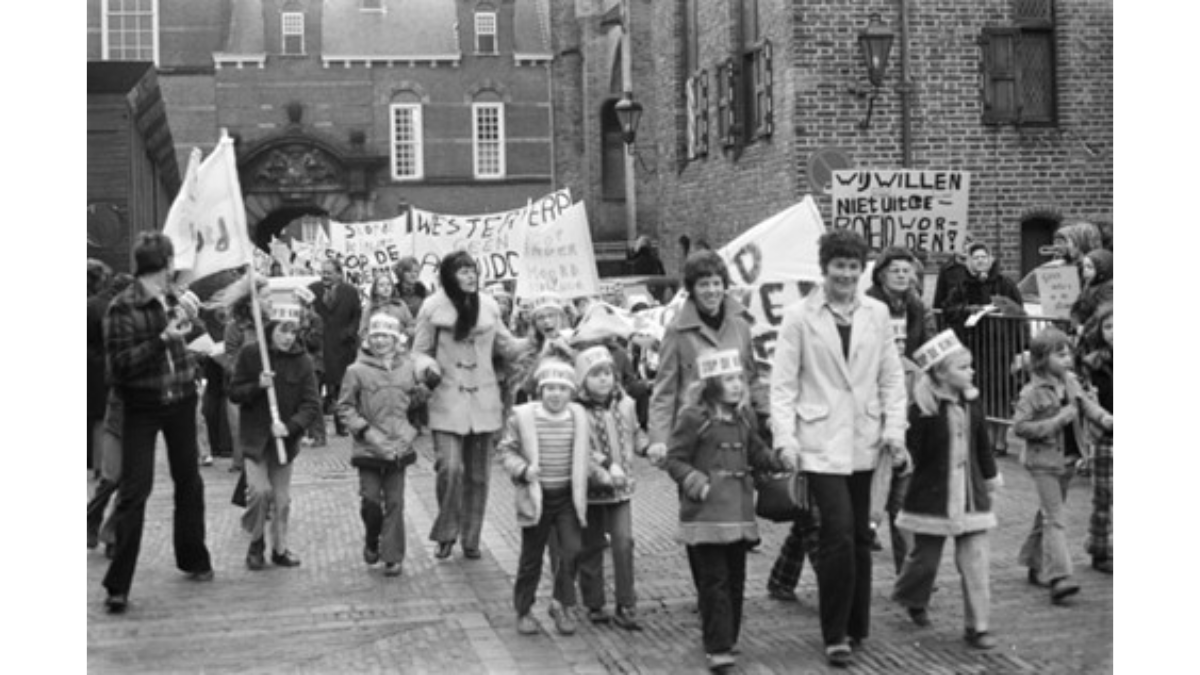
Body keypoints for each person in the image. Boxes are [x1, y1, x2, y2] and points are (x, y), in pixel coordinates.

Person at [770, 230, 909, 669]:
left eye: (853, 266)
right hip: (820, 440)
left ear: (862, 268)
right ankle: (834, 634)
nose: (846, 274)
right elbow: (783, 384)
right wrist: (785, 440)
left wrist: (896, 430)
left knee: (862, 535)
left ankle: (857, 624)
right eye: (839, 266)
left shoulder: (878, 313)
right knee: (838, 532)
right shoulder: (799, 316)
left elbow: (892, 377)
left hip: (866, 438)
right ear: (824, 268)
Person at [101, 232, 213, 614]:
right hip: (142, 405)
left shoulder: (172, 300)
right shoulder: (122, 307)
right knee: (136, 491)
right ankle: (117, 584)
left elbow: (186, 340)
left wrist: (188, 326)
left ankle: (194, 557)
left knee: (189, 481)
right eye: (171, 264)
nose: (174, 270)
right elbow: (119, 367)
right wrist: (162, 339)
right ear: (162, 265)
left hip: (180, 398)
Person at [665, 350, 784, 672]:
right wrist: (694, 480)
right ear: (712, 382)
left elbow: (756, 452)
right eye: (728, 379)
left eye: (739, 379)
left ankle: (727, 638)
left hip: (738, 512)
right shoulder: (693, 417)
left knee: (735, 579)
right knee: (713, 580)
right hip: (706, 514)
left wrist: (779, 459)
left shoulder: (744, 417)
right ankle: (716, 645)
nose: (736, 385)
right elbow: (674, 458)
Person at [892, 331, 1002, 651]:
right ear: (941, 373)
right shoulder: (923, 410)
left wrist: (991, 478)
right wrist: (901, 460)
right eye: (962, 367)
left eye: (970, 367)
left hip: (970, 496)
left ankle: (977, 626)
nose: (971, 372)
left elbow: (982, 444)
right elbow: (913, 452)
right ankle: (912, 596)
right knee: (924, 560)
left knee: (976, 562)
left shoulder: (972, 403)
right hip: (932, 498)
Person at [413, 251, 523, 562]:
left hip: (485, 399)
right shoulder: (432, 307)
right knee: (450, 468)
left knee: (479, 475)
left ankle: (471, 537)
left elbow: (508, 346)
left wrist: (538, 338)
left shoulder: (489, 306)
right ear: (449, 275)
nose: (470, 276)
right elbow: (418, 352)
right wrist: (427, 369)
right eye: (463, 271)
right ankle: (447, 531)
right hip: (447, 397)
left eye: (473, 270)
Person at [1014, 328, 1113, 605]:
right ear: (1042, 359)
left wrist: (1105, 420)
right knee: (1055, 517)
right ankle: (1060, 577)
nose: (1068, 359)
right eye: (1060, 354)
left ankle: (1033, 561)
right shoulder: (1031, 392)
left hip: (1069, 459)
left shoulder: (1070, 381)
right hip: (1044, 462)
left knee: (1048, 513)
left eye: (1068, 353)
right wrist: (1058, 420)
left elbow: (1087, 405)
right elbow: (1020, 427)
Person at [647, 251, 768, 468]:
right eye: (704, 284)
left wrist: (768, 415)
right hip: (698, 435)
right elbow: (665, 391)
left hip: (740, 430)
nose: (712, 291)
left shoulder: (740, 325)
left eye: (716, 283)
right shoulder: (677, 331)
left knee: (741, 496)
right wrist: (658, 440)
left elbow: (751, 377)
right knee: (700, 496)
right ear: (692, 289)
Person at [339, 314, 437, 577]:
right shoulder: (355, 371)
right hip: (369, 447)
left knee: (395, 502)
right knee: (370, 500)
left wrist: (426, 392)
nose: (381, 340)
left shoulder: (408, 368)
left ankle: (392, 555)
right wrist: (365, 431)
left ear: (397, 340)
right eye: (376, 335)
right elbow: (345, 407)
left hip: (398, 447)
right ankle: (373, 537)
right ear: (368, 338)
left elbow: (415, 406)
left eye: (386, 336)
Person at [499, 358, 591, 637]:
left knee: (571, 551)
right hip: (537, 496)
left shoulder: (578, 416)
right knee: (532, 557)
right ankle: (524, 609)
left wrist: (604, 469)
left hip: (568, 497)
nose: (555, 394)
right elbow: (506, 451)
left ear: (571, 392)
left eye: (562, 388)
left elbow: (589, 451)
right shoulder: (524, 416)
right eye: (549, 387)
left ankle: (562, 603)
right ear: (540, 389)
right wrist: (524, 470)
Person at [229, 300, 322, 571]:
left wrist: (291, 426)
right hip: (255, 440)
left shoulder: (303, 361)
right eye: (282, 331)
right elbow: (234, 392)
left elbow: (312, 404)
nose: (288, 337)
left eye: (293, 332)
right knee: (259, 492)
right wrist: (257, 385)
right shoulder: (250, 354)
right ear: (270, 330)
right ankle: (256, 542)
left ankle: (280, 549)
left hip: (284, 443)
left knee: (281, 500)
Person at [573, 346, 649, 631]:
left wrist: (646, 447)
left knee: (623, 541)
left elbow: (636, 432)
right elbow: (580, 448)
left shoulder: (626, 404)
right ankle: (594, 602)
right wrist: (602, 466)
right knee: (591, 545)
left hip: (621, 489)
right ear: (583, 379)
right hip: (591, 491)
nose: (604, 379)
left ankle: (626, 603)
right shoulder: (576, 411)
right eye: (595, 375)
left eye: (607, 373)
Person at [865, 247, 931, 573]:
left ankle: (909, 577)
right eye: (896, 271)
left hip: (904, 400)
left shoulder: (916, 307)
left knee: (901, 496)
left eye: (908, 271)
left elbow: (922, 349)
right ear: (881, 274)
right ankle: (785, 572)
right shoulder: (867, 305)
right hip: (870, 403)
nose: (903, 276)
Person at [1080, 304, 1115, 574]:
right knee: (1103, 495)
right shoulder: (1093, 363)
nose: (1113, 332)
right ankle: (1099, 549)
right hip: (1105, 434)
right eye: (1108, 327)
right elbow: (1087, 399)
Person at [311, 259, 363, 437]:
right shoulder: (312, 290)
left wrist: (349, 333)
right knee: (315, 389)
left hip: (342, 348)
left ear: (339, 274)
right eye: (323, 272)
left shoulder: (350, 292)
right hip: (319, 348)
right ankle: (316, 431)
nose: (325, 275)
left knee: (341, 390)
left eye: (329, 272)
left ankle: (341, 425)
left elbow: (357, 316)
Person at [1018, 222, 1104, 302]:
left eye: (1069, 241)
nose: (1067, 246)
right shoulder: (1054, 268)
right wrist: (1046, 302)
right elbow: (1021, 291)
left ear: (1079, 243)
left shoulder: (1102, 269)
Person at [87, 259, 115, 472]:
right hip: (98, 367)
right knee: (100, 418)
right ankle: (100, 466)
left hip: (94, 364)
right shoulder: (102, 305)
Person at [359, 273, 416, 342]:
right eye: (381, 285)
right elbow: (363, 331)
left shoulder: (400, 304)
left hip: (400, 346)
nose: (386, 287)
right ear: (375, 290)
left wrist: (405, 334)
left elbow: (412, 325)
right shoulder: (370, 307)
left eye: (388, 284)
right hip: (377, 347)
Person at [1071, 249, 1114, 334]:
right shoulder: (1088, 285)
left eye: (1089, 267)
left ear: (1102, 269)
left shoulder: (1109, 289)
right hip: (1086, 332)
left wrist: (1085, 327)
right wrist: (1076, 324)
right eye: (1084, 267)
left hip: (1099, 335)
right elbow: (1076, 307)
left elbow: (1102, 313)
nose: (1085, 271)